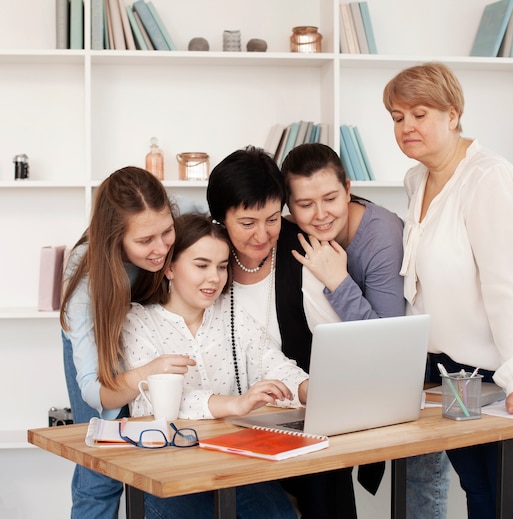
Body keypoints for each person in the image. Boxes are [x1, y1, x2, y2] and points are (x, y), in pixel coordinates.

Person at [383, 62, 513, 518]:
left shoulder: (490, 179)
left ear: (453, 114)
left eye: (420, 113)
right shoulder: (417, 181)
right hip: (457, 376)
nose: (407, 126)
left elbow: (511, 286)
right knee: (483, 498)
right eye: (396, 117)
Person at [280, 142, 451, 519]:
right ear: (288, 208)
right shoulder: (293, 233)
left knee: (419, 487)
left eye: (330, 198)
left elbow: (388, 345)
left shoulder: (381, 236)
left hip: (420, 372)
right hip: (352, 379)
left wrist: (338, 281)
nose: (321, 214)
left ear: (348, 188)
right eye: (305, 205)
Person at [121, 212, 306, 518]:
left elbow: (271, 360)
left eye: (221, 267)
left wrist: (310, 389)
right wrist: (236, 404)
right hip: (166, 469)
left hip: (230, 463)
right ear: (169, 268)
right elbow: (162, 402)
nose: (215, 278)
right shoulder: (139, 321)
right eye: (202, 265)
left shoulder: (230, 313)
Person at [207, 146, 357, 519]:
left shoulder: (303, 250)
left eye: (272, 219)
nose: (263, 234)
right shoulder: (207, 258)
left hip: (303, 415)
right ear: (220, 219)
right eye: (247, 223)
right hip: (228, 420)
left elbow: (339, 343)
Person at [60, 166, 196, 519]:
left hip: (145, 334)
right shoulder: (86, 276)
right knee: (101, 467)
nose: (162, 247)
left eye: (167, 232)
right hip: (99, 342)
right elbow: (94, 390)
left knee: (158, 450)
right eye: (144, 241)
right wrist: (145, 374)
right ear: (114, 238)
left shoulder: (169, 218)